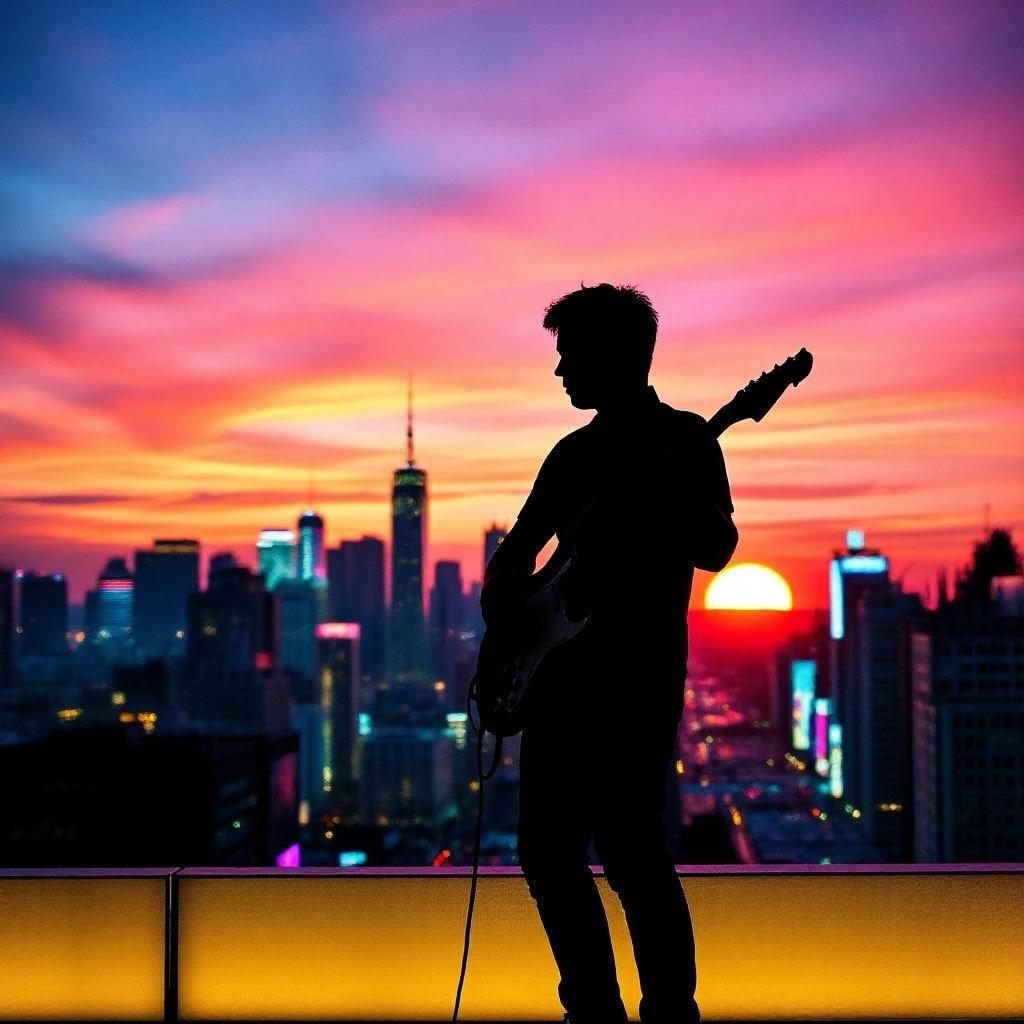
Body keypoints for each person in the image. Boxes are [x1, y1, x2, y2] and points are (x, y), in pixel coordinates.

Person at [480, 283, 738, 1024]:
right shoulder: (571, 455)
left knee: (632, 853)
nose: (560, 372)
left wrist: (667, 493)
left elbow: (718, 547)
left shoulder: (689, 440)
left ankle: (667, 1015)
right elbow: (517, 552)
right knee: (546, 855)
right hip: (559, 684)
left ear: (613, 356)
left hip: (636, 685)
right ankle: (591, 1009)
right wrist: (508, 608)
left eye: (570, 356)